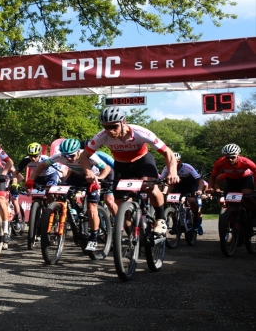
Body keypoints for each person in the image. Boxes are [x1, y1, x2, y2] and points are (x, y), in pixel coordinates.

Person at [80, 107, 179, 237]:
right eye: (106, 127)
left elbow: (167, 152)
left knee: (149, 186)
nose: (110, 131)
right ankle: (130, 228)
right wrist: (88, 172)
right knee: (119, 199)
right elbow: (84, 156)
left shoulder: (141, 132)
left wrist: (172, 172)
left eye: (114, 126)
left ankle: (160, 219)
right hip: (122, 164)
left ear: (123, 122)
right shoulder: (101, 136)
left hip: (143, 161)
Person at [28, 139, 111, 251]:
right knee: (60, 194)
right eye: (66, 156)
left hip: (92, 178)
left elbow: (107, 168)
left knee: (92, 207)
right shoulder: (59, 156)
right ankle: (72, 211)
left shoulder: (88, 155)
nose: (69, 159)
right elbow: (42, 165)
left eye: (71, 156)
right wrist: (31, 179)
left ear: (78, 151)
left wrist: (99, 180)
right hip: (75, 176)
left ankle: (94, 237)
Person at [161, 152, 206, 235]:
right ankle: (175, 224)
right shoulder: (166, 168)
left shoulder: (187, 167)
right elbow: (160, 179)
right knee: (172, 202)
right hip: (179, 186)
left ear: (179, 161)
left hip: (191, 185)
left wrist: (199, 190)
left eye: (175, 161)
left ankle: (196, 218)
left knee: (192, 200)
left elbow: (200, 180)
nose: (173, 164)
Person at [207, 144, 256, 212]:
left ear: (238, 155)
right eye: (227, 157)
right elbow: (213, 177)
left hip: (245, 179)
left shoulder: (246, 162)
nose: (230, 159)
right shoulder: (219, 163)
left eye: (232, 157)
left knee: (246, 197)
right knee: (228, 200)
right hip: (231, 180)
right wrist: (210, 188)